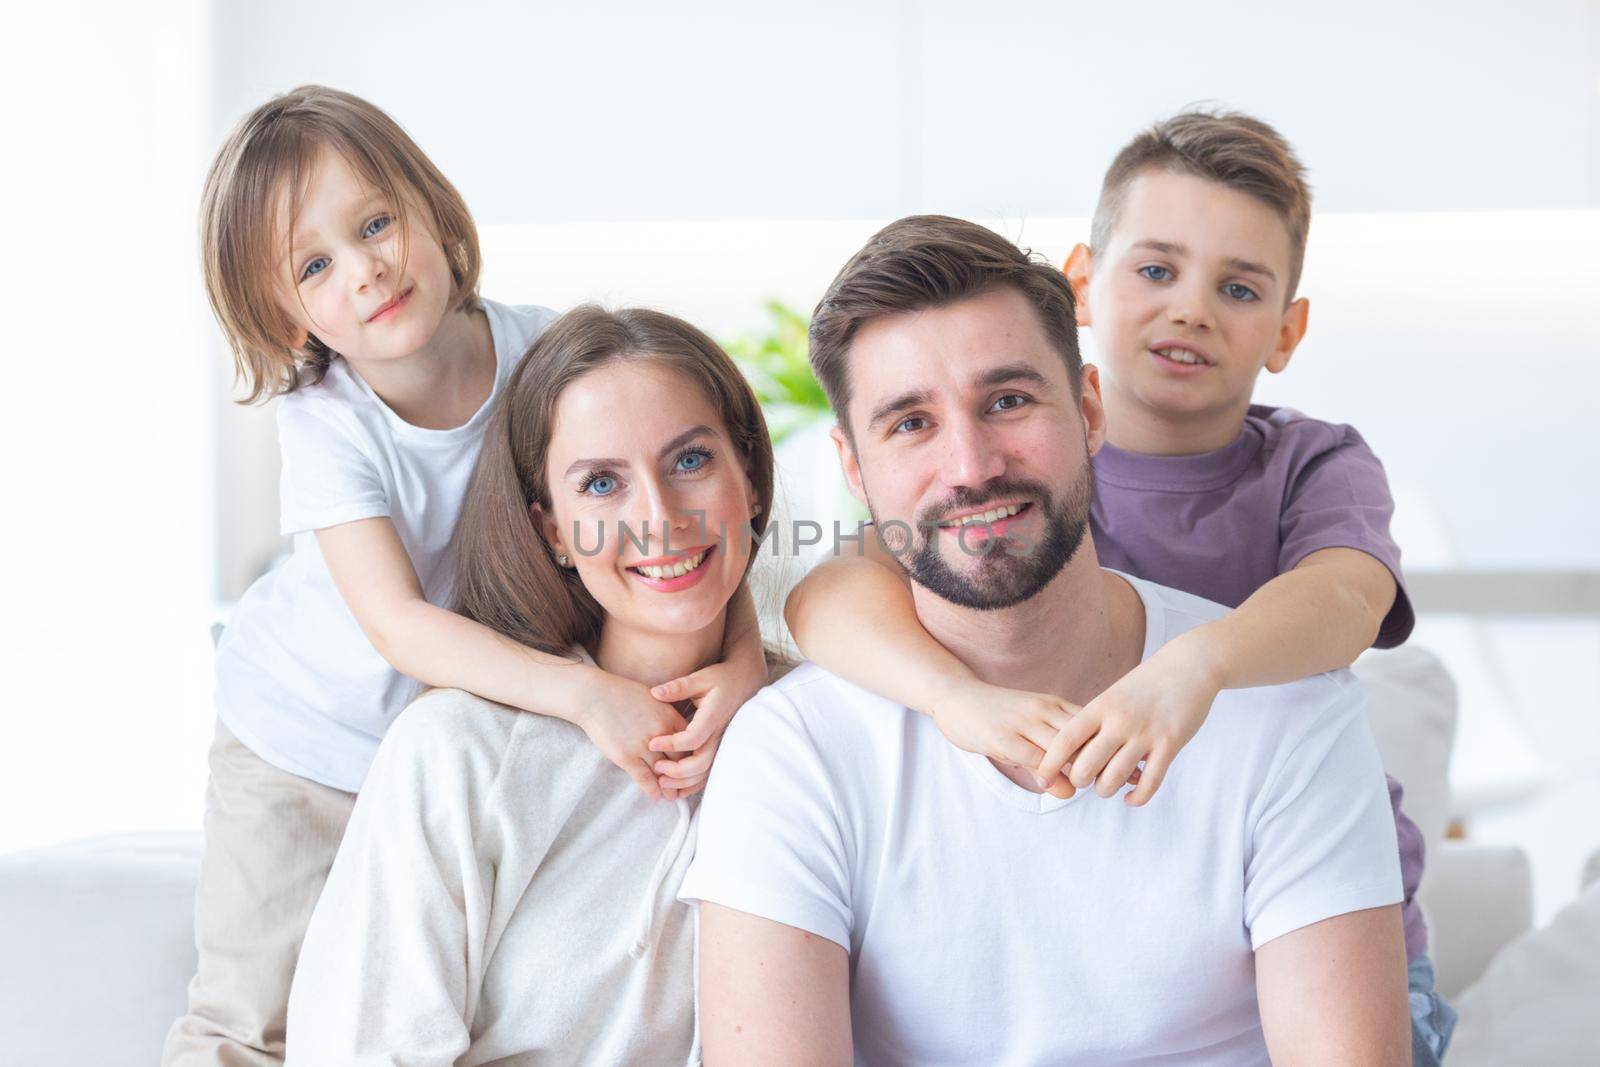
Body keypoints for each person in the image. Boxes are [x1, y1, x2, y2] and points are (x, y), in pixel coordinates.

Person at [782, 111, 1452, 1061]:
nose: (1191, 308)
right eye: (1156, 269)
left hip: (1318, 918)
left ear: (1287, 330)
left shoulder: (1313, 463)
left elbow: (1347, 599)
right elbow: (825, 597)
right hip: (1090, 891)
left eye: (1239, 286)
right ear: (1084, 285)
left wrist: (1195, 669)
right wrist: (954, 698)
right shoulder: (999, 486)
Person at [166, 88, 766, 1067]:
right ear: (286, 318)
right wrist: (587, 695)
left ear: (432, 210)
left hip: (454, 723)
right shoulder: (328, 420)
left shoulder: (542, 353)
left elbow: (696, 541)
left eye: (374, 223)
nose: (365, 270)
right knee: (253, 1021)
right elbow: (400, 625)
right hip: (305, 742)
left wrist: (740, 663)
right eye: (315, 265)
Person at [285, 305, 776, 1063]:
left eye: (690, 461)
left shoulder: (809, 728)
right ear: (553, 532)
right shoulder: (458, 754)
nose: (659, 518)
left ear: (747, 471)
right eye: (603, 483)